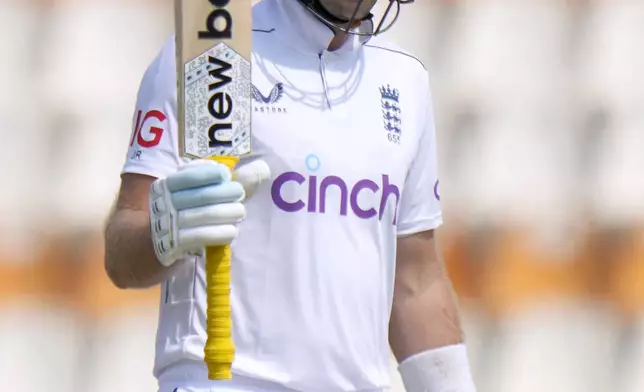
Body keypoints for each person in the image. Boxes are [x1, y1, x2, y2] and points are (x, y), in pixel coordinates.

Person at [104, 0, 477, 391]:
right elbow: (121, 254)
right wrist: (165, 235)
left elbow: (416, 282)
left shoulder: (404, 78)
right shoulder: (217, 48)